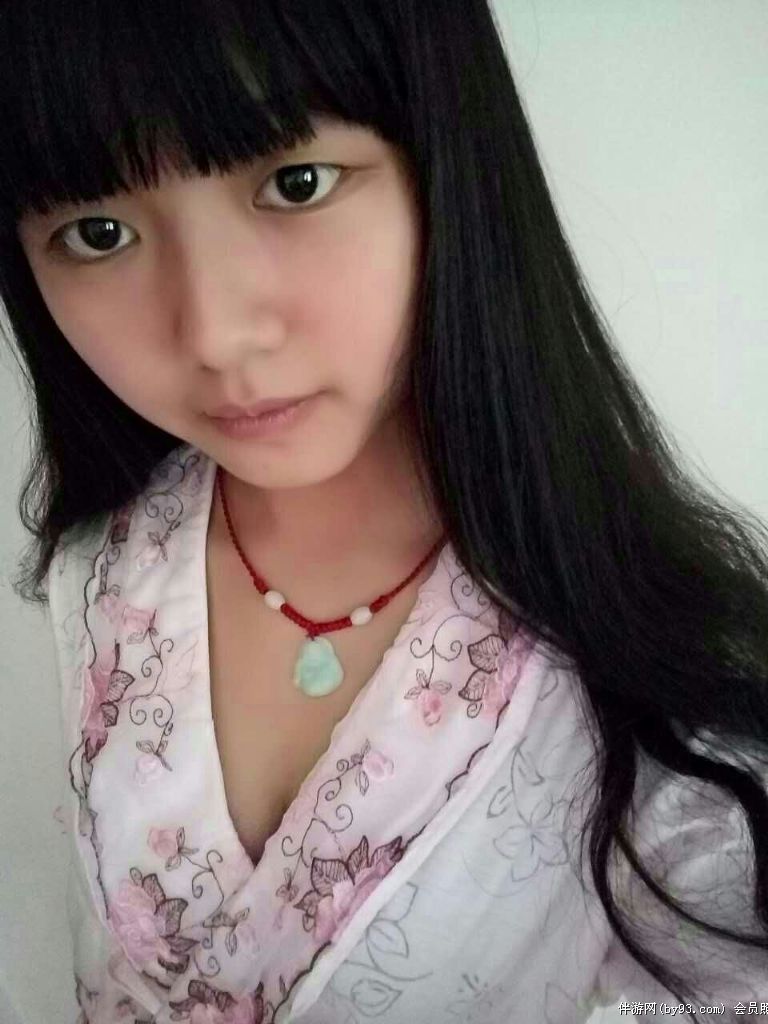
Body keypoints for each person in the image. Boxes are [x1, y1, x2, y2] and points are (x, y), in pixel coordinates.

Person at [1, 2, 767, 1022]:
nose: (217, 333)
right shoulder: (101, 566)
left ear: (447, 164)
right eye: (98, 233)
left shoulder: (671, 711)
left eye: (297, 182)